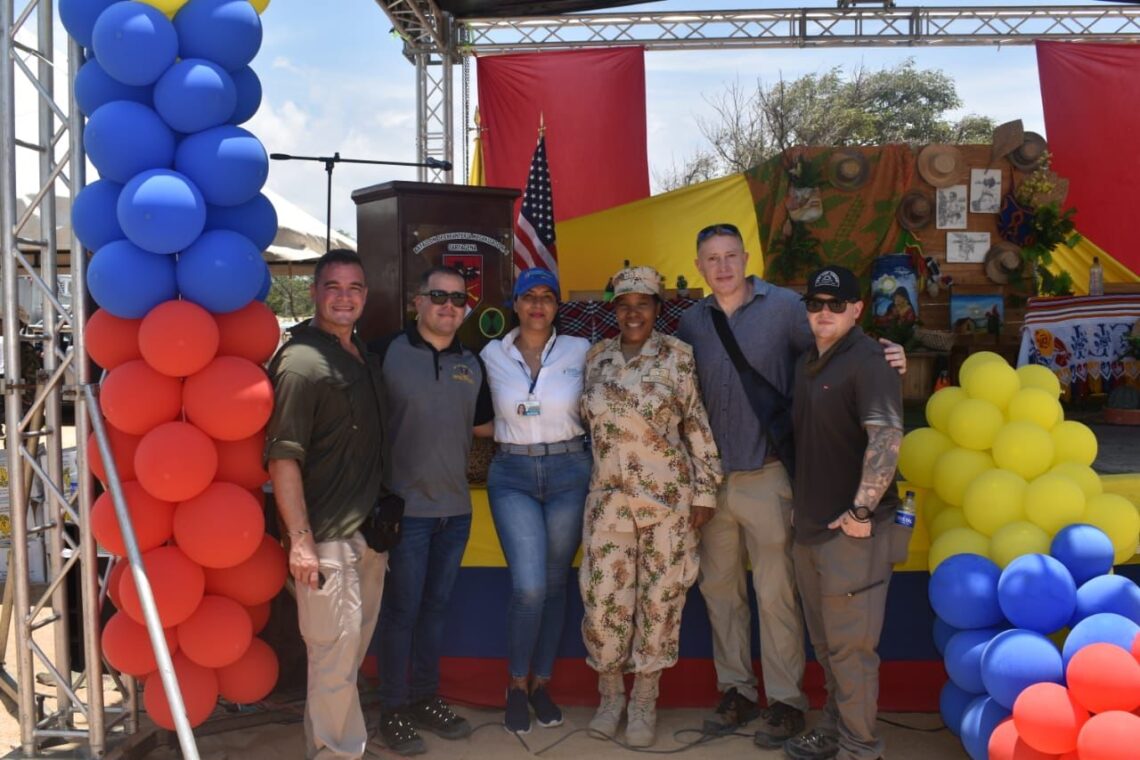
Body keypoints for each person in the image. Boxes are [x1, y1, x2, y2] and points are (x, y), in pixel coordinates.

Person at [675, 223, 905, 747]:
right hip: (711, 483)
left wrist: (889, 360)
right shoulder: (691, 322)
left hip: (769, 474)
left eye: (732, 255)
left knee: (776, 593)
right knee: (720, 592)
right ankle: (735, 689)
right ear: (700, 264)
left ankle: (784, 701)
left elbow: (836, 349)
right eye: (712, 258)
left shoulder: (786, 308)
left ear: (747, 257)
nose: (724, 266)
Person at [579, 265, 723, 748]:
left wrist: (705, 492)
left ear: (658, 309)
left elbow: (697, 426)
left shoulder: (678, 357)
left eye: (643, 303)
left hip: (667, 503)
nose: (633, 312)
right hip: (609, 504)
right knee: (603, 604)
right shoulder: (596, 357)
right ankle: (610, 696)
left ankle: (644, 699)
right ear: (614, 310)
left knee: (661, 602)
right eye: (624, 304)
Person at [265, 249, 387, 760]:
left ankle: (328, 744)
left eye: (354, 287)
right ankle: (336, 752)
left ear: (365, 295)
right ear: (314, 292)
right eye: (333, 287)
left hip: (366, 533)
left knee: (343, 657)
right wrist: (301, 542)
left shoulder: (358, 351)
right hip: (325, 536)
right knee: (333, 657)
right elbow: (282, 458)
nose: (344, 297)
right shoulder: (300, 363)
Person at [370, 265, 494, 756]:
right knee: (401, 612)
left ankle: (425, 698)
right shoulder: (383, 352)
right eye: (438, 296)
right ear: (416, 302)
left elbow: (484, 426)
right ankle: (393, 709)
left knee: (436, 610)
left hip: (455, 510)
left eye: (458, 299)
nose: (448, 305)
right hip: (405, 512)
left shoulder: (473, 362)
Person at [786, 266, 903, 760]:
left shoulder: (871, 361)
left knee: (852, 652)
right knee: (828, 645)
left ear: (858, 310)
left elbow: (886, 438)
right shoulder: (808, 361)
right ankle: (835, 729)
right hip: (812, 530)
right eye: (816, 303)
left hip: (852, 534)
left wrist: (860, 509)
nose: (825, 313)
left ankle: (860, 748)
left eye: (837, 304)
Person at [479, 267, 592, 734]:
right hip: (513, 473)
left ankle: (541, 682)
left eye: (548, 297)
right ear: (516, 304)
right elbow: (469, 410)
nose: (538, 305)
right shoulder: (490, 353)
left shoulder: (580, 351)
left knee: (554, 583)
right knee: (529, 588)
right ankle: (516, 685)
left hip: (570, 470)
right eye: (530, 297)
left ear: (557, 305)